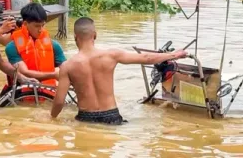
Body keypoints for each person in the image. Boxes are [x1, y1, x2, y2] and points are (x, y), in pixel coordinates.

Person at [50, 17, 189, 125]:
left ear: (75, 37)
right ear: (95, 35)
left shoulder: (67, 66)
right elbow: (146, 57)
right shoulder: (111, 56)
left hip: (85, 117)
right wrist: (174, 55)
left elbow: (59, 102)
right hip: (111, 116)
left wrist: (51, 119)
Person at [4, 2, 66, 87]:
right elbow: (24, 72)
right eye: (37, 26)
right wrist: (54, 75)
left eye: (42, 25)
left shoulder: (54, 46)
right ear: (25, 24)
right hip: (23, 96)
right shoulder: (12, 47)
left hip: (49, 95)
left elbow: (66, 69)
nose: (40, 30)